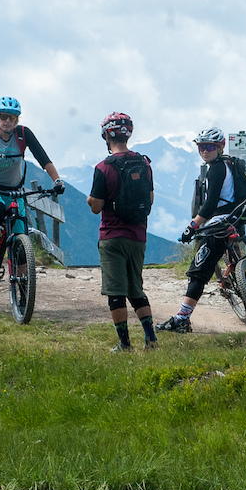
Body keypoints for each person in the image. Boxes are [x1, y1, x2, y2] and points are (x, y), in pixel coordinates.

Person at [157, 127, 246, 334]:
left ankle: (182, 319)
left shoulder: (216, 169)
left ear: (220, 147)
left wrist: (192, 226)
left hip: (219, 223)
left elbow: (210, 204)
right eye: (201, 147)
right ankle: (243, 288)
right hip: (235, 218)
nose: (205, 151)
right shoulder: (229, 163)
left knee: (198, 272)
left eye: (210, 146)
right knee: (231, 257)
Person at [0, 96, 64, 274]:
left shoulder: (24, 134)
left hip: (14, 190)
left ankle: (23, 293)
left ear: (18, 119)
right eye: (4, 117)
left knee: (21, 238)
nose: (8, 121)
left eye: (13, 118)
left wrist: (57, 181)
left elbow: (44, 160)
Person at [86, 112, 157, 351]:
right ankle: (151, 339)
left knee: (116, 292)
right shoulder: (145, 164)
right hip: (138, 236)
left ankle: (124, 344)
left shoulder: (103, 168)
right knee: (136, 289)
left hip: (112, 236)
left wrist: (91, 200)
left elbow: (96, 207)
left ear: (106, 135)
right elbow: (150, 199)